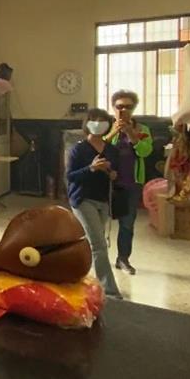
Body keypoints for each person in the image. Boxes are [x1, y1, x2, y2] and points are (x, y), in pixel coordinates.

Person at [66, 108, 122, 299]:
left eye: (102, 120)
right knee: (99, 244)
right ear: (87, 123)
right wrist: (90, 168)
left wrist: (111, 173)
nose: (98, 124)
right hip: (82, 200)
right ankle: (110, 290)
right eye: (94, 120)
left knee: (91, 241)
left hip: (103, 200)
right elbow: (70, 176)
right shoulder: (78, 149)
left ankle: (74, 277)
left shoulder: (111, 150)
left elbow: (116, 173)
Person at [105, 90, 152, 275]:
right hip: (106, 183)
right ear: (113, 108)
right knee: (98, 221)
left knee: (127, 223)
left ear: (134, 109)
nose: (123, 110)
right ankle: (96, 258)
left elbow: (145, 152)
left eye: (128, 107)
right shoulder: (106, 127)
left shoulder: (142, 130)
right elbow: (98, 148)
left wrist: (131, 134)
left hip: (131, 184)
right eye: (119, 106)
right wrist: (114, 132)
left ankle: (123, 259)